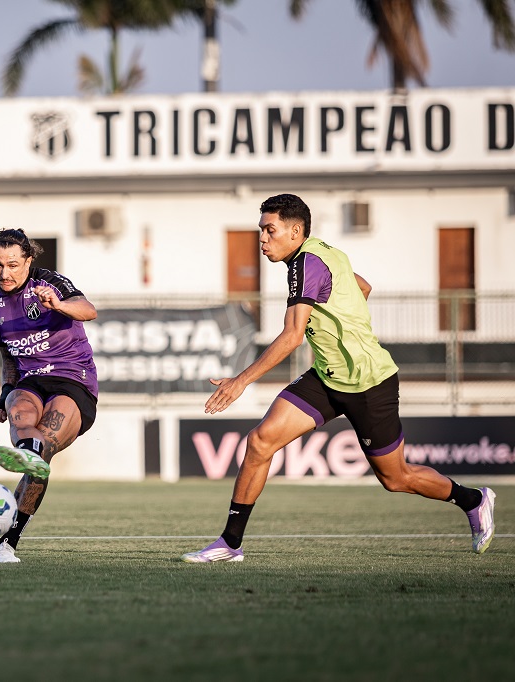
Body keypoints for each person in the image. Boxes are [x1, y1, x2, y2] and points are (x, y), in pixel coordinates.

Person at [181, 193, 496, 563]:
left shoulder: (305, 265)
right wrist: (343, 323)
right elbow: (361, 287)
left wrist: (240, 381)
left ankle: (474, 499)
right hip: (327, 378)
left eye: (270, 230)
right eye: (261, 231)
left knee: (396, 479)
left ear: (296, 231)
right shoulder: (325, 252)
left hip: (368, 383)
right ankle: (230, 544)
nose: (262, 239)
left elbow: (291, 336)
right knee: (260, 442)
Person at [0, 227, 99, 563]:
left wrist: (60, 306)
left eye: (13, 265)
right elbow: (8, 356)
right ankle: (28, 450)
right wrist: (5, 389)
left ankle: (9, 539)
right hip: (31, 381)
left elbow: (88, 310)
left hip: (71, 379)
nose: (4, 273)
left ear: (28, 260)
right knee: (17, 406)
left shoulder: (49, 283)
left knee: (45, 445)